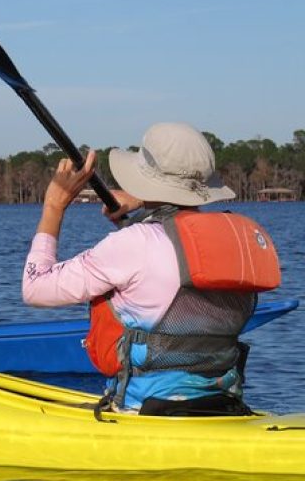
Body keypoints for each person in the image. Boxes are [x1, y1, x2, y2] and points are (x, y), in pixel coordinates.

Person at [22, 122, 280, 415]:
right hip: (223, 405)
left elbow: (35, 288)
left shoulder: (133, 244)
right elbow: (173, 241)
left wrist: (54, 206)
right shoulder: (235, 241)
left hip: (143, 411)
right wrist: (144, 203)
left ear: (146, 181)